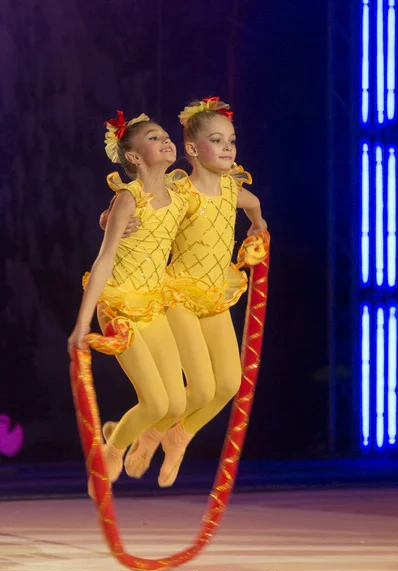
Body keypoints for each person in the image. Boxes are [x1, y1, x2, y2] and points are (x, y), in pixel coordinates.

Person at [100, 98, 267, 487]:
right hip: (176, 295)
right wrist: (109, 217)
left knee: (229, 384)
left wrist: (258, 224)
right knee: (200, 387)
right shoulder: (181, 190)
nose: (228, 148)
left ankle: (178, 436)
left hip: (213, 295)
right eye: (217, 140)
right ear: (191, 149)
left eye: (231, 140)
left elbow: (253, 201)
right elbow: (143, 203)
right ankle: (149, 434)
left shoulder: (229, 187)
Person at [68, 111, 189, 492]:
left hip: (153, 306)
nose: (166, 141)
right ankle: (112, 450)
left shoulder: (182, 194)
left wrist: (256, 220)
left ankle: (120, 431)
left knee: (175, 404)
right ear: (134, 157)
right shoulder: (127, 199)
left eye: (166, 135)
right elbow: (103, 260)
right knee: (154, 403)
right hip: (120, 305)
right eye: (154, 138)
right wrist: (82, 323)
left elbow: (219, 201)